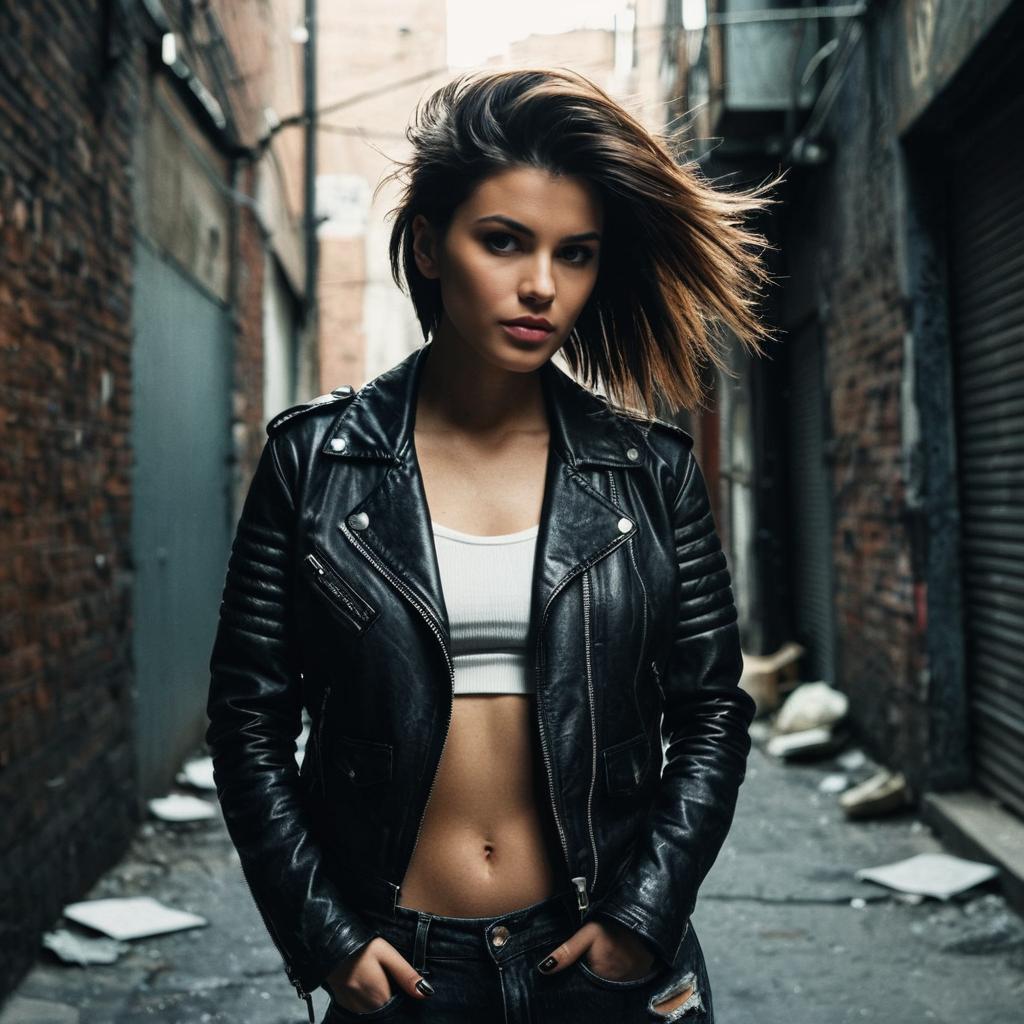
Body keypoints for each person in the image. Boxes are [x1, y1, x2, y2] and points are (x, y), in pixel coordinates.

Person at [206, 67, 780, 1023]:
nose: (542, 285)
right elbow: (248, 721)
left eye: (575, 254)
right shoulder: (315, 463)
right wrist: (326, 938)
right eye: (504, 241)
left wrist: (643, 916)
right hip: (404, 968)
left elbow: (712, 712)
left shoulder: (650, 473)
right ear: (430, 246)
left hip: (600, 960)